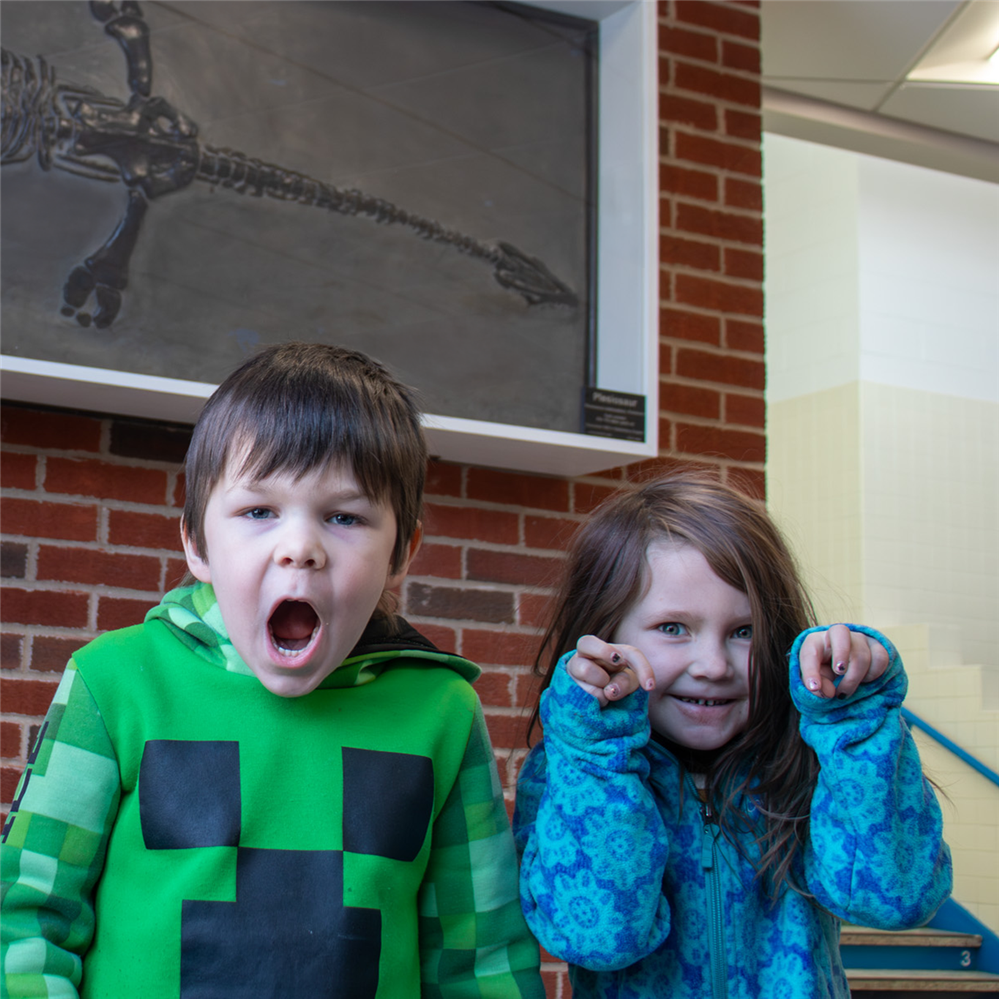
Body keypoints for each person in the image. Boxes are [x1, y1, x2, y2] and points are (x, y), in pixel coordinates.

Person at [1, 342, 543, 999]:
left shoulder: (443, 711)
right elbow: (25, 920)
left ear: (402, 553)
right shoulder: (111, 681)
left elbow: (479, 959)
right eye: (259, 511)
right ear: (197, 542)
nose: (300, 548)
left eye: (344, 516)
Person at [513, 473, 951, 999]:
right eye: (673, 628)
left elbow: (896, 899)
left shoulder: (810, 762)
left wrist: (854, 725)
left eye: (744, 631)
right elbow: (599, 937)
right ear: (606, 637)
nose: (714, 665)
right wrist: (599, 748)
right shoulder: (575, 769)